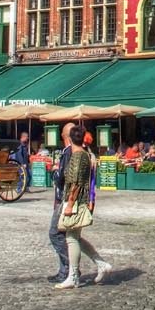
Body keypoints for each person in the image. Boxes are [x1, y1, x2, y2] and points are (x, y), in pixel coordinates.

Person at [55, 124, 113, 289]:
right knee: (77, 238)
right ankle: (101, 264)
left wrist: (70, 204)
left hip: (77, 201)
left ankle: (73, 276)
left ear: (70, 139)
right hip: (82, 200)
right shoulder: (86, 154)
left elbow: (76, 183)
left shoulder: (78, 156)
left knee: (71, 238)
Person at [47, 121, 79, 283]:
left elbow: (63, 178)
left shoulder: (68, 152)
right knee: (66, 236)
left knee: (55, 234)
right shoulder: (80, 151)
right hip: (69, 198)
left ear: (65, 136)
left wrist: (54, 172)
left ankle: (70, 268)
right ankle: (65, 271)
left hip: (65, 198)